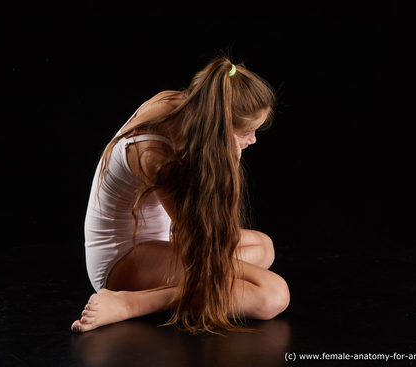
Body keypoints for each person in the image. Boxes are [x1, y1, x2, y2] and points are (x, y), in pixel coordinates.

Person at [71, 56, 290, 333]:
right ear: (219, 128)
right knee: (272, 295)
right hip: (121, 260)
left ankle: (154, 294)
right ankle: (130, 303)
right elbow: (197, 237)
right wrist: (230, 168)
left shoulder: (184, 105)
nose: (253, 140)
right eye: (246, 132)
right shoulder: (154, 155)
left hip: (160, 241)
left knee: (263, 247)